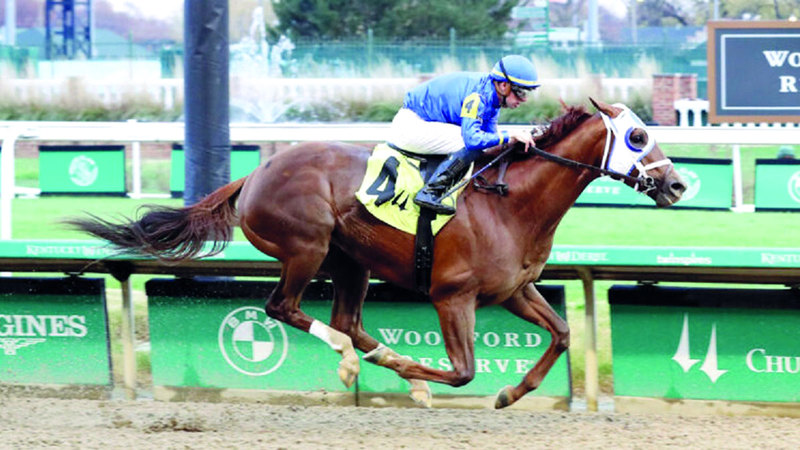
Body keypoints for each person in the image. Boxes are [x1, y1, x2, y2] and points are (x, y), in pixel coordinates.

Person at [388, 54, 539, 215]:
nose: (524, 100)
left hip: (424, 122)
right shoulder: (478, 97)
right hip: (410, 126)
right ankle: (430, 192)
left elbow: (491, 138)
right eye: (520, 92)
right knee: (468, 143)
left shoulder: (492, 100)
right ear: (503, 86)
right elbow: (472, 140)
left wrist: (511, 139)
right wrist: (510, 135)